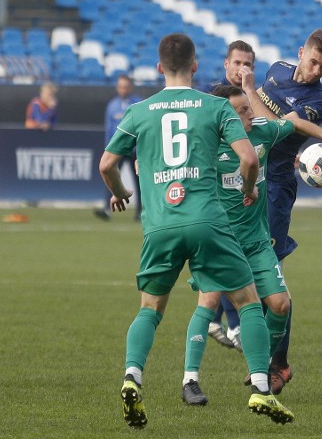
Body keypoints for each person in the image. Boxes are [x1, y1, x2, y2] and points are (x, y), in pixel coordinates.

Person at [99, 33, 294, 428]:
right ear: (195, 67)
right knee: (247, 300)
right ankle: (260, 388)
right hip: (208, 222)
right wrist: (252, 185)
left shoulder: (139, 111)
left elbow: (106, 164)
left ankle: (132, 378)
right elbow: (247, 158)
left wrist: (119, 194)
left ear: (158, 68)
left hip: (159, 228)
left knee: (150, 309)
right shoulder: (216, 106)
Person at [181, 71, 322, 405]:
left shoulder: (262, 132)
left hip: (257, 242)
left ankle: (264, 366)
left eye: (249, 108)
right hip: (220, 240)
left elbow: (296, 123)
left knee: (280, 305)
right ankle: (190, 380)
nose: (251, 114)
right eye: (242, 111)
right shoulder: (205, 146)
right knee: (209, 300)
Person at [253, 28, 322, 393]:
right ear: (300, 53)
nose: (316, 72)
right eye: (313, 62)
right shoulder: (276, 69)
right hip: (245, 178)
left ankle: (279, 363)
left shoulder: (319, 100)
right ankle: (240, 338)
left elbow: (283, 125)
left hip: (276, 189)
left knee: (271, 274)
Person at [198, 40, 258, 351]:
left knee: (234, 264)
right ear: (226, 64)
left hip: (247, 192)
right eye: (237, 63)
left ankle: (215, 318)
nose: (242, 69)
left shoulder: (253, 100)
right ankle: (233, 324)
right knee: (231, 263)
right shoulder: (214, 100)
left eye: (248, 64)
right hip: (218, 195)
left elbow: (263, 131)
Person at [94, 74, 142, 221]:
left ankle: (140, 212)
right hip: (118, 150)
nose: (123, 90)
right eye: (121, 87)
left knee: (140, 181)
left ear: (131, 87)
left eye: (126, 87)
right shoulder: (112, 106)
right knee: (110, 176)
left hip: (134, 150)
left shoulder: (139, 103)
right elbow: (109, 129)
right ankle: (108, 209)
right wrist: (108, 149)